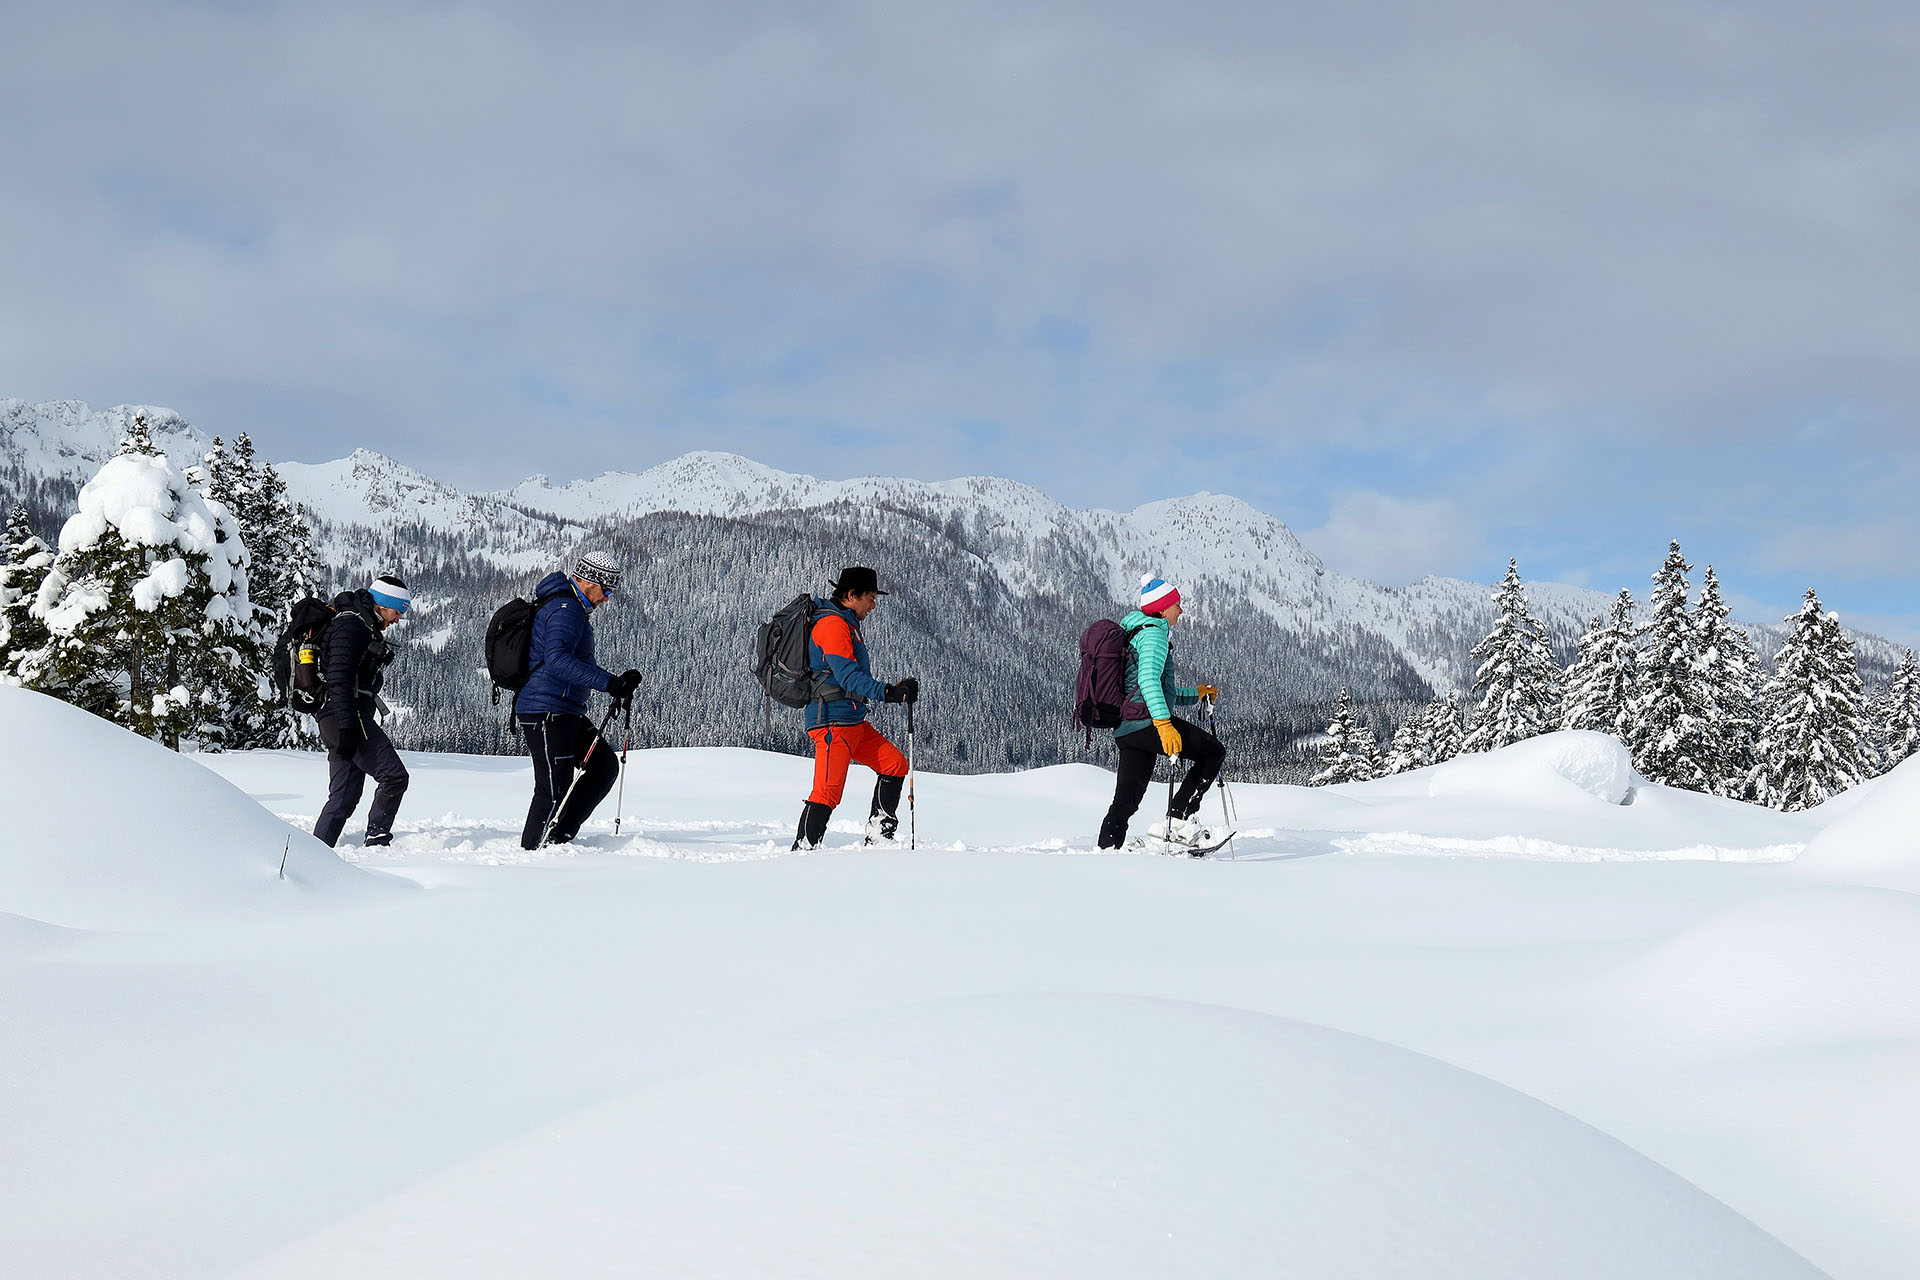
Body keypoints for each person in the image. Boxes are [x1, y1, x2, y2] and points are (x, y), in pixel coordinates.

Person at [515, 550, 643, 849]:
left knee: (604, 767)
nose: (608, 598)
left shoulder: (569, 608)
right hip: (546, 710)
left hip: (563, 710)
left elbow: (568, 660)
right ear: (589, 582)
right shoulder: (565, 609)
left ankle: (558, 837)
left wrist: (616, 684)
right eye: (607, 589)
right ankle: (532, 851)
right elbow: (557, 659)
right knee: (553, 788)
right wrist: (609, 683)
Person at [792, 566, 918, 850]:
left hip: (853, 722)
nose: (874, 605)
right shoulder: (833, 626)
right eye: (870, 598)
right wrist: (890, 693)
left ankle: (879, 840)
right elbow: (849, 677)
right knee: (827, 793)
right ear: (852, 595)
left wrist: (894, 689)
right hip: (831, 725)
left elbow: (848, 677)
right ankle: (803, 852)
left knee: (894, 764)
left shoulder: (846, 623)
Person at [1097, 574, 1226, 850]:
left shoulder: (1137, 632)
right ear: (1162, 607)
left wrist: (1197, 693)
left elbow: (1156, 691)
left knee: (1126, 799)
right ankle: (1178, 819)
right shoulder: (1154, 634)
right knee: (1213, 752)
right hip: (1147, 724)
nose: (1181, 610)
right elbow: (1148, 681)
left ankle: (1106, 850)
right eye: (1176, 604)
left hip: (1128, 728)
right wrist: (1164, 724)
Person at [314, 575, 413, 848]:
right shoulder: (351, 626)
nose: (397, 619)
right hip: (345, 717)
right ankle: (377, 842)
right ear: (382, 604)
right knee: (394, 776)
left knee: (343, 797)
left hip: (337, 717)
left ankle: (315, 852)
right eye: (397, 611)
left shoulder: (359, 624)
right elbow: (339, 677)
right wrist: (347, 728)